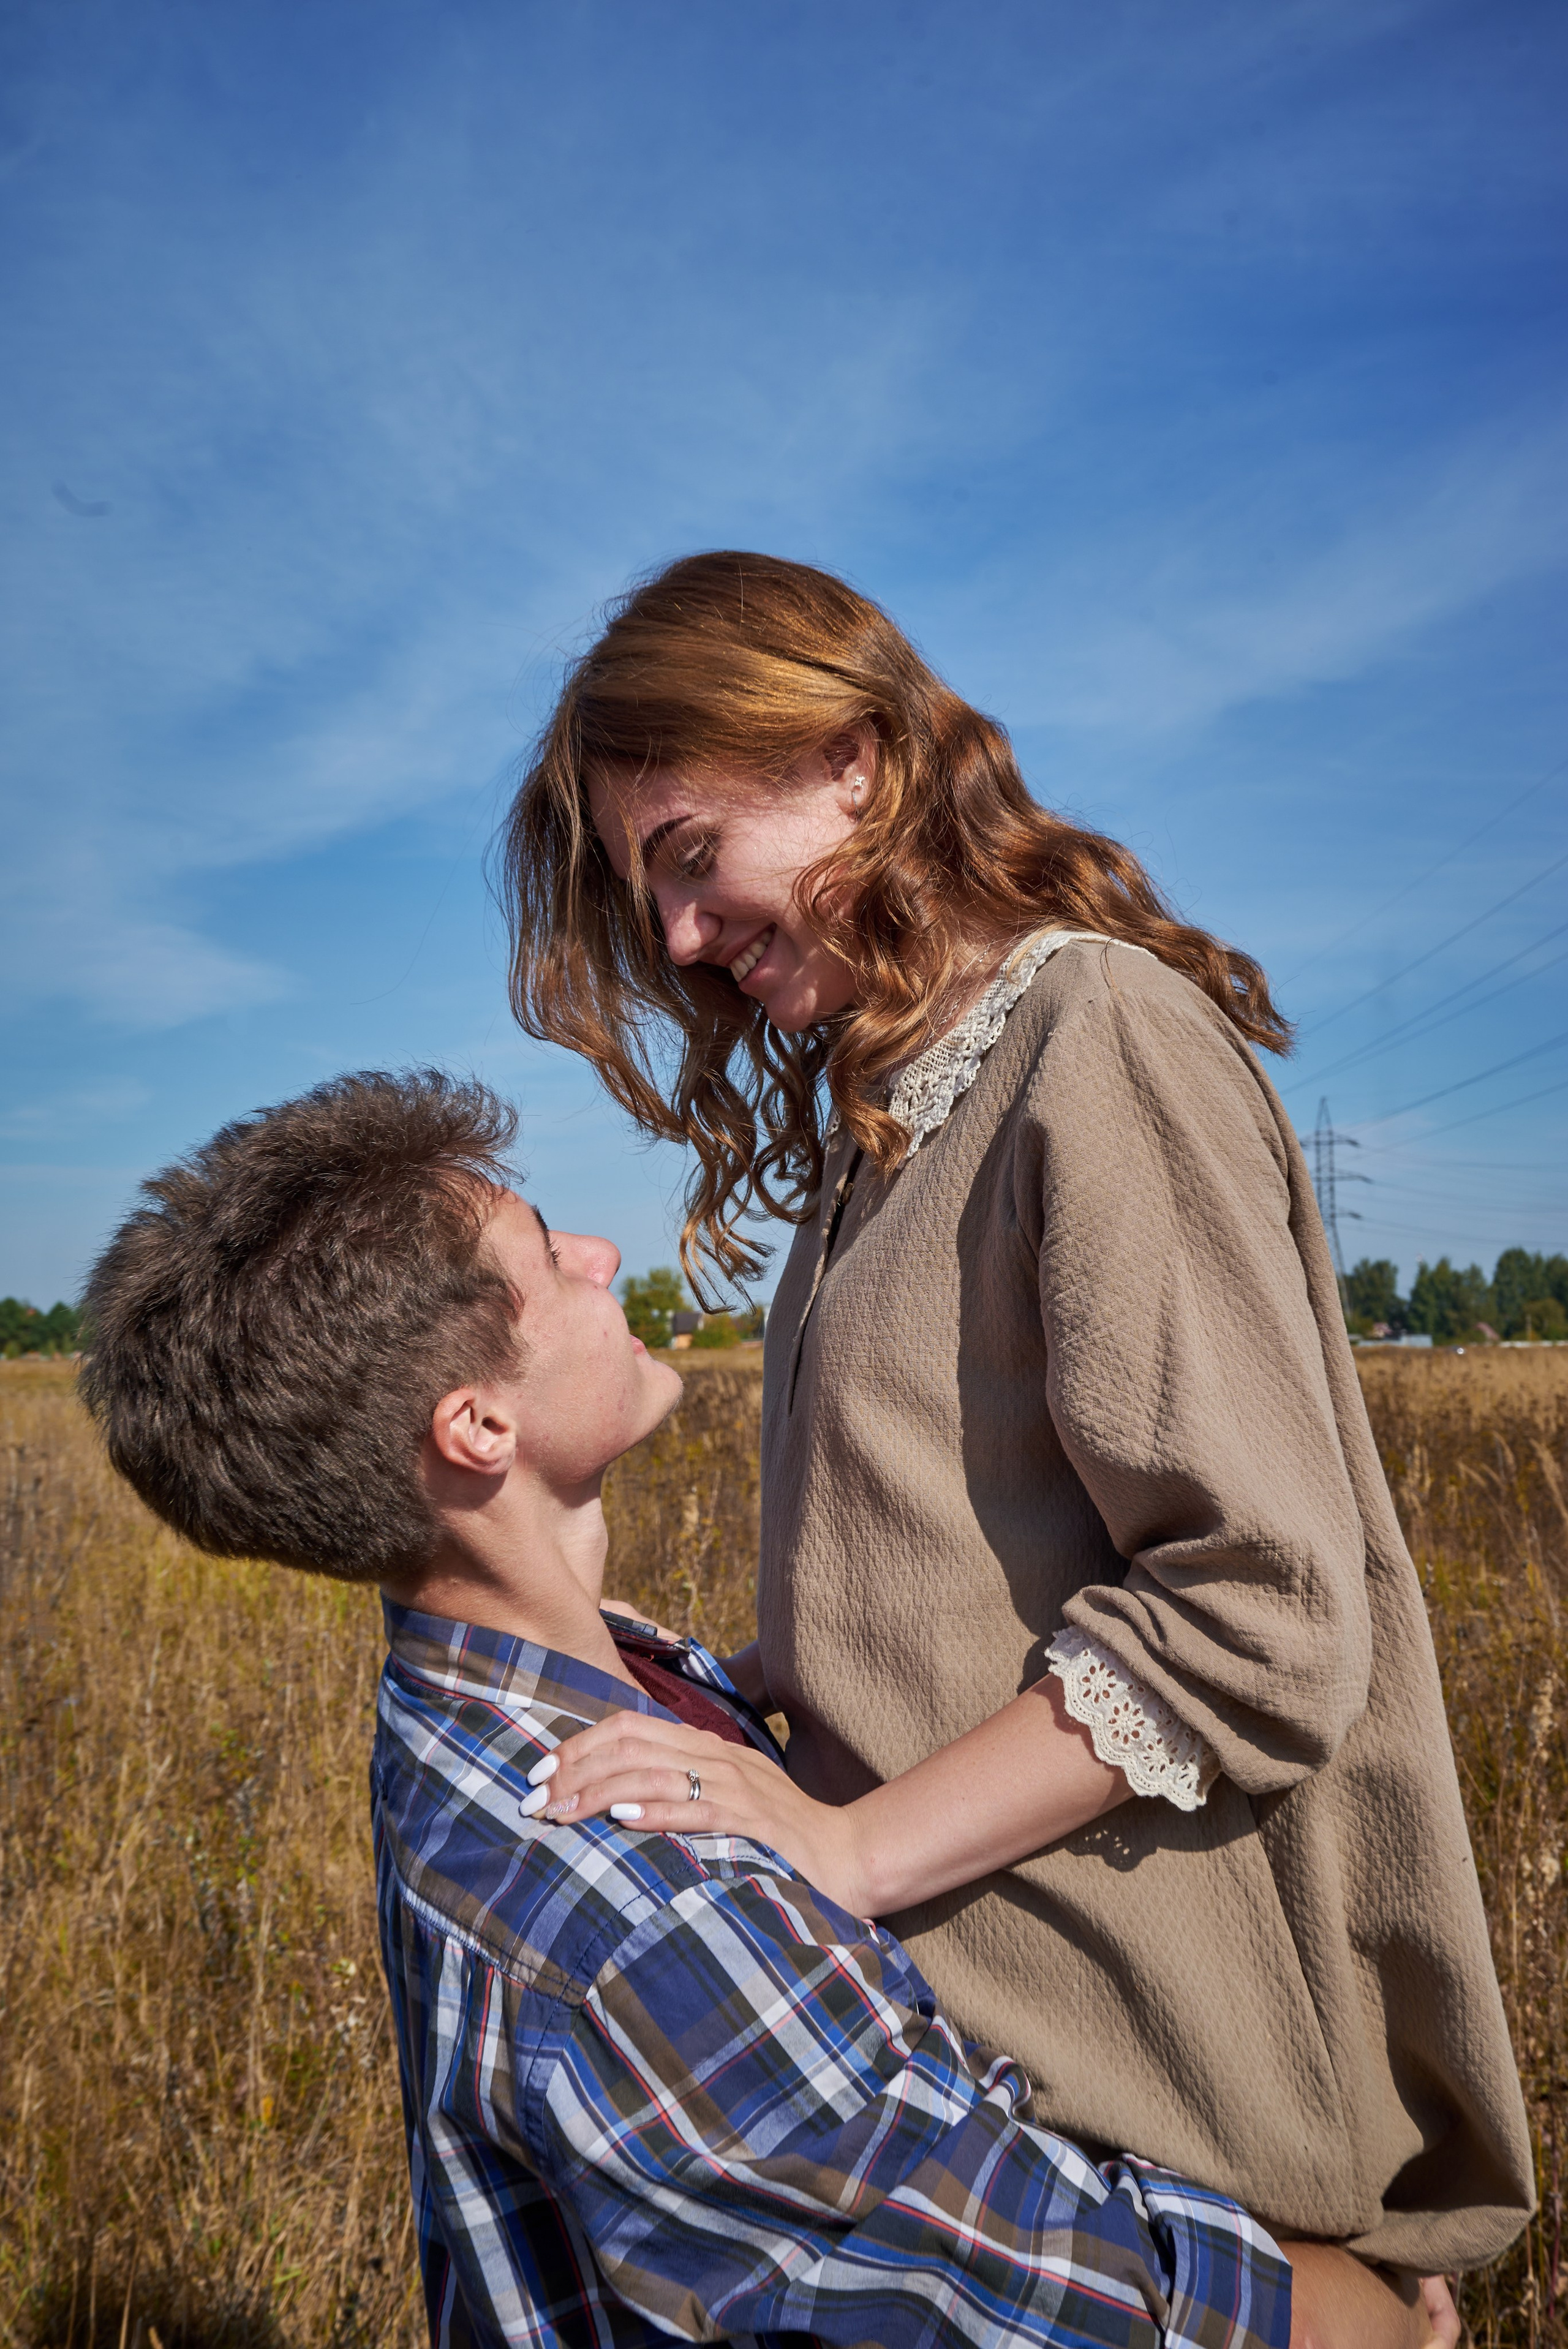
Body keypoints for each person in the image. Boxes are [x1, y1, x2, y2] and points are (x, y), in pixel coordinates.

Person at [499, 551, 1534, 2299]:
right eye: (644, 888)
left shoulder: (1092, 1040)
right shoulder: (880, 1124)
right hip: (993, 2075)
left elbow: (1258, 1608)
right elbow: (937, 1596)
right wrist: (705, 1692)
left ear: (851, 760)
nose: (676, 935)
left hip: (1170, 2104)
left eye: (688, 853)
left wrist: (846, 1847)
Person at [76, 1069, 1450, 2349]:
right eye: (547, 1254)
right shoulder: (639, 1916)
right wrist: (1383, 2317)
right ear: (479, 1426)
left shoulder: (503, 1699)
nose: (600, 1256)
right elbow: (1077, 2299)